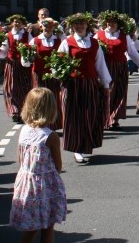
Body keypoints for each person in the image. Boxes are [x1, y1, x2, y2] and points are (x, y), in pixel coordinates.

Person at [9, 88, 67, 243]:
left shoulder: (23, 131)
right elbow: (58, 165)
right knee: (48, 226)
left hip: (26, 183)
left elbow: (20, 158)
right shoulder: (50, 136)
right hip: (45, 185)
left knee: (31, 226)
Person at [57, 13, 112, 164]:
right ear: (72, 26)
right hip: (73, 84)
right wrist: (60, 76)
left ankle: (85, 145)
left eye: (82, 24)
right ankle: (77, 149)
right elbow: (59, 63)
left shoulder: (94, 43)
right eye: (77, 25)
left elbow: (100, 64)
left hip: (91, 84)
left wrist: (106, 84)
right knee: (74, 117)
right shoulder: (67, 43)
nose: (80, 27)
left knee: (90, 115)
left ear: (87, 26)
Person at [95, 11, 139, 130]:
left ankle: (114, 119)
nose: (111, 24)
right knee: (106, 93)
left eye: (113, 22)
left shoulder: (124, 36)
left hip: (120, 68)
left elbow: (132, 52)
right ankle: (104, 118)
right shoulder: (99, 35)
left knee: (119, 92)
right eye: (109, 22)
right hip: (105, 67)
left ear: (118, 24)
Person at [26, 18, 64, 131]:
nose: (48, 28)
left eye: (50, 26)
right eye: (46, 26)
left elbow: (63, 56)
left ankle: (52, 124)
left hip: (53, 75)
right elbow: (28, 57)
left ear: (53, 28)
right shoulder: (35, 41)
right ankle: (39, 122)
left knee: (53, 98)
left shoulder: (59, 41)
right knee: (39, 98)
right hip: (39, 73)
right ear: (42, 27)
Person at [0, 15, 34, 123]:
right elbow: (3, 52)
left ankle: (24, 111)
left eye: (19, 22)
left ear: (22, 24)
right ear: (12, 23)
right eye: (15, 22)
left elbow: (31, 49)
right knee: (10, 87)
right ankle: (14, 110)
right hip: (11, 64)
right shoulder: (7, 35)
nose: (17, 24)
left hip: (24, 66)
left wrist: (28, 56)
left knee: (24, 87)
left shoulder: (27, 35)